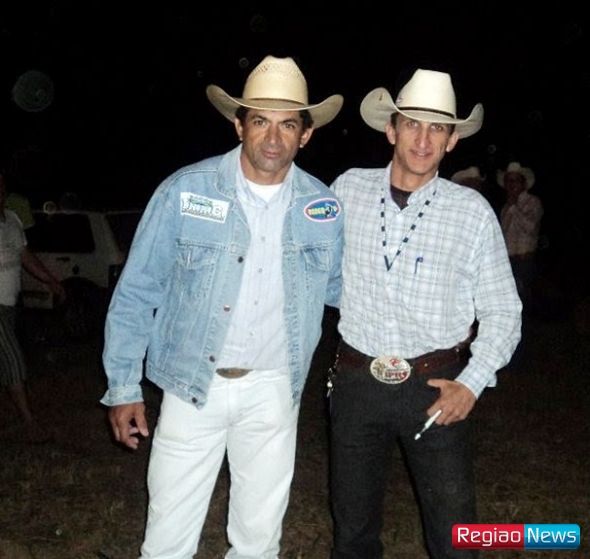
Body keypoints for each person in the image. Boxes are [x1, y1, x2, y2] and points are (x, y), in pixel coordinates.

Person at [100, 55, 344, 559]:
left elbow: (346, 292)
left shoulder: (322, 208)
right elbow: (138, 290)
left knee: (258, 543)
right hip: (192, 388)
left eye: (287, 124)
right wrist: (123, 385)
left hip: (275, 390)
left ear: (305, 135)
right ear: (238, 125)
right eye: (260, 120)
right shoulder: (185, 191)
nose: (272, 138)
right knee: (167, 540)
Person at [327, 68, 522, 558]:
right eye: (412, 123)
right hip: (356, 381)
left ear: (452, 140)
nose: (423, 138)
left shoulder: (471, 212)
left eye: (437, 127)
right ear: (391, 130)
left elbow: (504, 309)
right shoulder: (346, 190)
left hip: (436, 385)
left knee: (455, 534)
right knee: (351, 530)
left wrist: (472, 382)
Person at [0, 169, 65, 443]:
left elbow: (26, 257)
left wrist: (51, 280)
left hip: (10, 302)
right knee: (13, 357)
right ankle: (29, 422)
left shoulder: (12, 220)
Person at [496, 161, 544, 313]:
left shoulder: (533, 202)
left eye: (515, 180)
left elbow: (529, 227)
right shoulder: (505, 208)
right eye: (508, 180)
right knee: (507, 306)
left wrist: (514, 207)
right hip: (507, 264)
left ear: (523, 183)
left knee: (522, 306)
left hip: (524, 263)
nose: (511, 184)